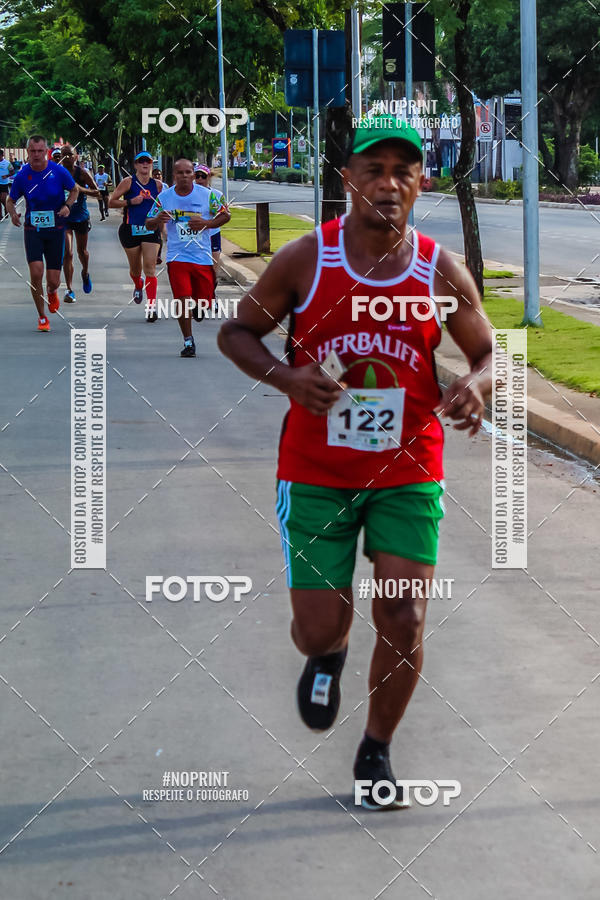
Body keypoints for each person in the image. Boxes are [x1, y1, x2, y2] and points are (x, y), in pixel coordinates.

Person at [218, 118, 493, 810]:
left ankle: (375, 751)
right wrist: (287, 378)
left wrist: (475, 385)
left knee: (402, 614)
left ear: (420, 183)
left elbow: (492, 350)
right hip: (316, 472)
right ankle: (330, 653)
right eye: (374, 168)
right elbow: (236, 331)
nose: (389, 183)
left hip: (407, 470)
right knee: (317, 626)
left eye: (405, 169)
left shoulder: (439, 268)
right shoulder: (308, 260)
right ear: (348, 179)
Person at [146, 157, 230, 353]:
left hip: (202, 258)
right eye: (180, 173)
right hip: (177, 258)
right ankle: (188, 341)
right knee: (182, 299)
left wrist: (206, 224)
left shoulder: (208, 195)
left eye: (188, 173)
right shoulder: (164, 197)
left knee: (203, 303)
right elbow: (148, 222)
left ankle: (200, 308)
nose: (184, 176)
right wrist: (158, 218)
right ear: (174, 176)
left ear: (193, 175)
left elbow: (226, 214)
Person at [7, 134, 77, 331]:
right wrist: (13, 214)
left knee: (53, 280)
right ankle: (42, 317)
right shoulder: (22, 175)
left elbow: (74, 190)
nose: (36, 155)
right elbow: (10, 200)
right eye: (32, 151)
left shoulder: (58, 171)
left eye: (40, 151)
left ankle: (53, 291)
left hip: (56, 230)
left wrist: (67, 206)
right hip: (33, 230)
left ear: (45, 151)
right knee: (36, 273)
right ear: (28, 152)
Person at [108, 150, 163, 308]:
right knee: (135, 269)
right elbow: (111, 202)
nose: (145, 164)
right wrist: (131, 202)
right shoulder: (128, 182)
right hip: (130, 229)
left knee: (150, 269)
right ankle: (138, 284)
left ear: (152, 164)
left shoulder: (157, 185)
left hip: (150, 230)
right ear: (136, 165)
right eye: (141, 161)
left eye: (148, 161)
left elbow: (164, 206)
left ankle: (151, 306)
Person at [57, 144, 97, 303]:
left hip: (80, 216)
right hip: (63, 217)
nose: (66, 158)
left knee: (82, 252)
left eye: (69, 154)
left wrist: (80, 189)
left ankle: (85, 273)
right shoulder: (56, 173)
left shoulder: (83, 173)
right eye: (63, 155)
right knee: (68, 253)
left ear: (76, 156)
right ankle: (69, 289)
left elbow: (97, 192)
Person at [194, 164, 227, 279]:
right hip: (194, 234)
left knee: (213, 265)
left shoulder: (217, 195)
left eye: (203, 176)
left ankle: (212, 287)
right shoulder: (188, 194)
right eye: (197, 176)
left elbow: (226, 213)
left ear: (209, 177)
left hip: (212, 233)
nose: (199, 179)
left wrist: (215, 214)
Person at [0, 149, 14, 219]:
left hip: (4, 183)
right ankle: (0, 215)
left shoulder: (7, 163)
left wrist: (6, 176)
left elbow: (12, 172)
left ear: (2, 155)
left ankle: (6, 209)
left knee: (3, 199)